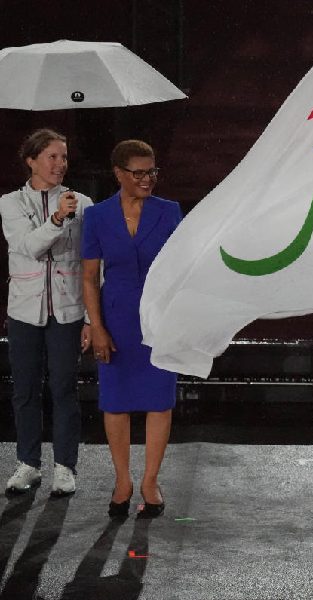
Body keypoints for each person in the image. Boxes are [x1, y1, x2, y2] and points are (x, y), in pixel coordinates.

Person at [81, 139, 182, 519]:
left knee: (159, 400)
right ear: (118, 174)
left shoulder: (169, 211)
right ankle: (122, 481)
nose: (147, 179)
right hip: (117, 318)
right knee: (116, 401)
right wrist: (97, 326)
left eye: (152, 171)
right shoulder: (97, 216)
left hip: (160, 318)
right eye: (138, 173)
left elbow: (182, 267)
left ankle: (150, 483)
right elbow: (89, 278)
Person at [1, 129, 93, 497]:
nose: (60, 164)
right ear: (31, 160)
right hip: (24, 309)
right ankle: (28, 463)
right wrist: (56, 220)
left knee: (64, 388)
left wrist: (90, 318)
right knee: (25, 389)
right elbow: (28, 247)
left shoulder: (82, 203)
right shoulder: (10, 203)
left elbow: (93, 262)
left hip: (68, 310)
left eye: (64, 157)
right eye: (52, 156)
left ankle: (65, 466)